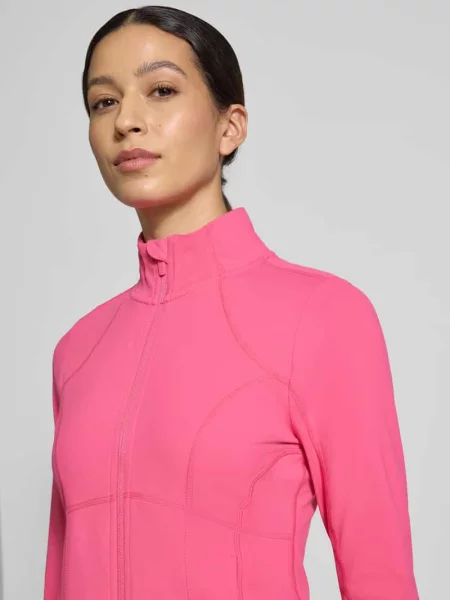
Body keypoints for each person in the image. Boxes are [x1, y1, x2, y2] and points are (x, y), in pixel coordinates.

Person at [43, 6, 419, 600]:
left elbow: (381, 580)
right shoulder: (78, 353)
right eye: (104, 102)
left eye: (161, 90)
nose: (127, 122)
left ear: (230, 127)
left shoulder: (323, 317)